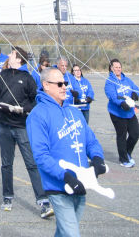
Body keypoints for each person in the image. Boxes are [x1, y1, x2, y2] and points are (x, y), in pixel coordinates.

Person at [27, 66, 106, 236]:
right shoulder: (37, 115)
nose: (64, 87)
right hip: (59, 187)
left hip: (81, 185)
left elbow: (90, 140)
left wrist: (98, 158)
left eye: (65, 83)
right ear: (46, 85)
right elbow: (41, 156)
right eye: (59, 83)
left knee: (64, 233)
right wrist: (66, 176)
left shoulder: (74, 112)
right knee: (72, 234)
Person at [0, 47, 53, 218]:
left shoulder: (27, 77)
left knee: (31, 163)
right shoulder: (3, 75)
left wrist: (24, 109)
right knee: (6, 164)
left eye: (12, 54)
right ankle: (7, 197)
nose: (9, 55)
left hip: (22, 126)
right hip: (4, 126)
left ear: (19, 59)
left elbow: (36, 98)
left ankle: (43, 202)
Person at [104, 58, 139, 167]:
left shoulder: (126, 79)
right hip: (117, 113)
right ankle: (123, 159)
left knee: (135, 133)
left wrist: (135, 94)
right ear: (111, 69)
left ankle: (127, 153)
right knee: (122, 135)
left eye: (119, 67)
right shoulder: (109, 82)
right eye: (116, 67)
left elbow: (136, 88)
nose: (118, 69)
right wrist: (121, 103)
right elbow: (112, 95)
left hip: (129, 112)